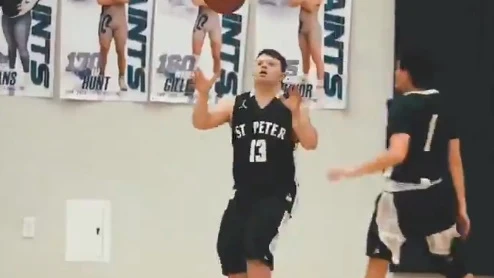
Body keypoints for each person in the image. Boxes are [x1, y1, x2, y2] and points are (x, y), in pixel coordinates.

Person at [327, 50, 470, 278]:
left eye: (398, 68)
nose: (396, 74)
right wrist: (461, 206)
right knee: (452, 265)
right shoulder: (446, 105)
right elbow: (455, 160)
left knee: (379, 255)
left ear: (407, 73)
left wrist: (352, 171)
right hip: (438, 196)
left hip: (400, 197)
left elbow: (397, 154)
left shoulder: (403, 105)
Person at [192, 49, 318, 278]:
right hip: (244, 192)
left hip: (276, 193)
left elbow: (310, 142)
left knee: (256, 246)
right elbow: (201, 122)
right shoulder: (236, 105)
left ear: (282, 74)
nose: (263, 66)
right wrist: (202, 95)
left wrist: (297, 113)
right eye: (259, 62)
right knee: (229, 247)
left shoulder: (290, 107)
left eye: (270, 63)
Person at [289, 0, 324, 98]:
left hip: (312, 28)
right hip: (302, 28)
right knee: (305, 57)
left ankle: (320, 84)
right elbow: (291, 4)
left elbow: (310, 6)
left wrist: (300, 2)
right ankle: (305, 80)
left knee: (316, 56)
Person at [0, 0, 39, 89]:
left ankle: (27, 77)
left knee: (22, 49)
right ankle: (11, 73)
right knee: (11, 47)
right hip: (6, 17)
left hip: (22, 17)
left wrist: (32, 3)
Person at [97, 0, 128, 91]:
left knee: (121, 49)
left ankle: (121, 77)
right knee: (104, 47)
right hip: (106, 19)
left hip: (120, 20)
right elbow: (101, 1)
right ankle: (101, 73)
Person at [191, 0, 221, 75]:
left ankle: (217, 78)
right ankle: (191, 76)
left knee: (216, 55)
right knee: (196, 54)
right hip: (201, 22)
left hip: (213, 23)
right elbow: (195, 2)